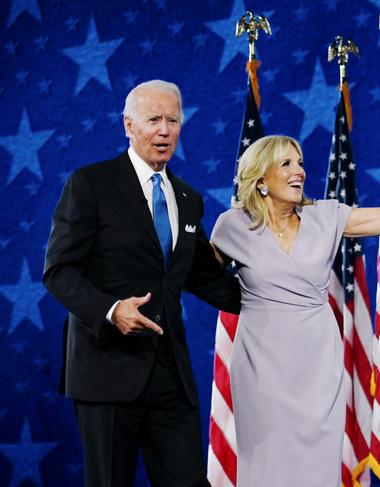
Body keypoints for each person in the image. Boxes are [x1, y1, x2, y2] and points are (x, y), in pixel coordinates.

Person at [210, 109, 380, 486]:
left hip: (317, 361)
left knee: (316, 466)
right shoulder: (232, 226)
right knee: (266, 465)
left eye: (299, 162)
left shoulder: (326, 217)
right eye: (286, 163)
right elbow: (198, 277)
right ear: (261, 178)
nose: (299, 170)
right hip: (260, 364)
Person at [43, 80, 241, 487]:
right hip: (106, 371)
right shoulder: (91, 184)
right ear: (128, 126)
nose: (164, 130)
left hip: (170, 375)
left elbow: (206, 278)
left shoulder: (187, 198)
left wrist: (286, 295)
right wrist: (112, 311)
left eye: (173, 120)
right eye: (154, 119)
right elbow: (59, 271)